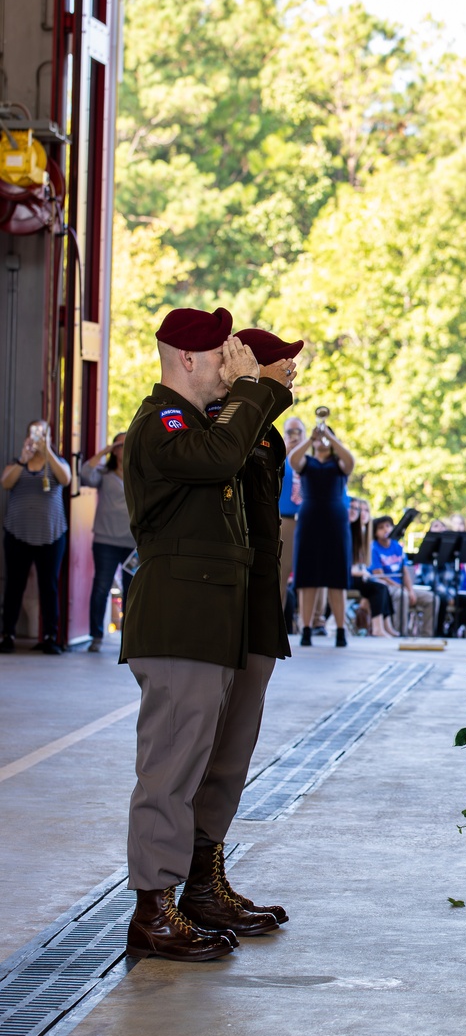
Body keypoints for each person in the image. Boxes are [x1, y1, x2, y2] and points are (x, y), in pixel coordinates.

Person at [120, 306, 294, 963]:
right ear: (186, 360)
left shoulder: (199, 425)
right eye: (222, 354)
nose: (233, 363)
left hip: (212, 622)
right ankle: (152, 908)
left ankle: (193, 886)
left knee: (208, 761)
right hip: (178, 623)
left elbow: (234, 457)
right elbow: (223, 454)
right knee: (169, 769)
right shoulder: (162, 424)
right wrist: (257, 390)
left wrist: (252, 396)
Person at [176, 326, 302, 939]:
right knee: (198, 753)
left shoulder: (263, 431)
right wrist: (255, 397)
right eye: (281, 364)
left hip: (255, 608)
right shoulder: (226, 425)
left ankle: (206, 880)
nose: (291, 373)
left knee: (233, 754)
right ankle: (174, 892)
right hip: (220, 607)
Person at [1, 420, 72, 653]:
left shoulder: (57, 462)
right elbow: (6, 483)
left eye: (44, 433)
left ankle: (51, 636)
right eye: (35, 432)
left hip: (51, 534)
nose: (39, 437)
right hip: (18, 533)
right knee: (14, 585)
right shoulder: (17, 462)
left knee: (49, 585)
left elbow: (66, 480)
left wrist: (48, 451)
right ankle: (7, 634)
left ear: (50, 436)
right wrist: (24, 457)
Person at [288, 416, 355, 648]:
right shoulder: (307, 463)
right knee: (307, 576)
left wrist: (331, 438)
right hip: (309, 520)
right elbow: (293, 459)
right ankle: (306, 628)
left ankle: (340, 629)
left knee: (336, 577)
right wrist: (311, 438)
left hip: (336, 522)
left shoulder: (339, 465)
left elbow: (350, 460)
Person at [79, 433, 135, 653]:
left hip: (132, 543)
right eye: (119, 445)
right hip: (105, 541)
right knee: (102, 587)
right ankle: (96, 636)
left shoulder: (139, 472)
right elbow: (85, 474)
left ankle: (129, 640)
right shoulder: (103, 473)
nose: (123, 448)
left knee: (133, 591)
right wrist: (104, 451)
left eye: (126, 443)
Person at [370, 514, 435, 636]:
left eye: (388, 526)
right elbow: (379, 575)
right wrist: (401, 588)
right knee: (402, 595)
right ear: (375, 532)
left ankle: (427, 634)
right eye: (381, 527)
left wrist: (410, 590)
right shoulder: (373, 548)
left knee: (431, 598)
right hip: (386, 586)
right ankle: (400, 633)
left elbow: (405, 571)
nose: (386, 529)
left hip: (402, 587)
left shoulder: (397, 546)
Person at [349, 496, 395, 636]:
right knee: (378, 587)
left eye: (366, 510)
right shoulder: (350, 532)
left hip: (359, 575)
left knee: (382, 586)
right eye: (359, 510)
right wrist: (362, 573)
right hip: (348, 576)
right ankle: (377, 628)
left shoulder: (365, 535)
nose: (363, 513)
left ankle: (387, 626)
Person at [278, 416, 306, 631]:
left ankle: (310, 623)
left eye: (299, 432)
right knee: (281, 574)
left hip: (308, 521)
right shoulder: (280, 456)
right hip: (285, 521)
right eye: (290, 432)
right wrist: (286, 449)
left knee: (310, 576)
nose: (295, 437)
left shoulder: (311, 459)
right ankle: (277, 621)